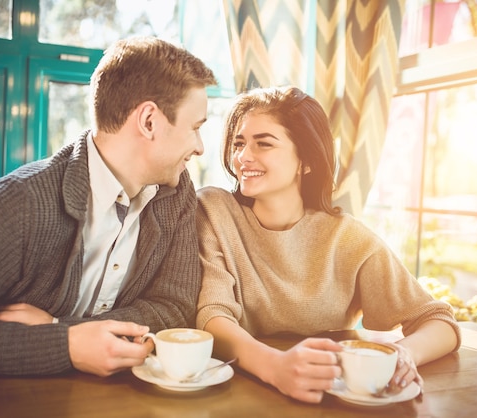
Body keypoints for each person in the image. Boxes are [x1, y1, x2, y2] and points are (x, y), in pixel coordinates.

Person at [0, 36, 217, 376]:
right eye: (195, 128)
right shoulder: (17, 204)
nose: (200, 147)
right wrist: (67, 346)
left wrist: (61, 327)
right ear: (149, 121)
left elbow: (175, 307)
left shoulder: (176, 194)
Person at [195, 86, 461, 403]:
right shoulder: (213, 211)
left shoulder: (347, 238)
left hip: (326, 396)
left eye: (263, 144)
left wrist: (402, 355)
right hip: (237, 393)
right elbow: (213, 317)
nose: (243, 157)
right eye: (239, 144)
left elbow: (439, 321)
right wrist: (276, 367)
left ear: (305, 161)